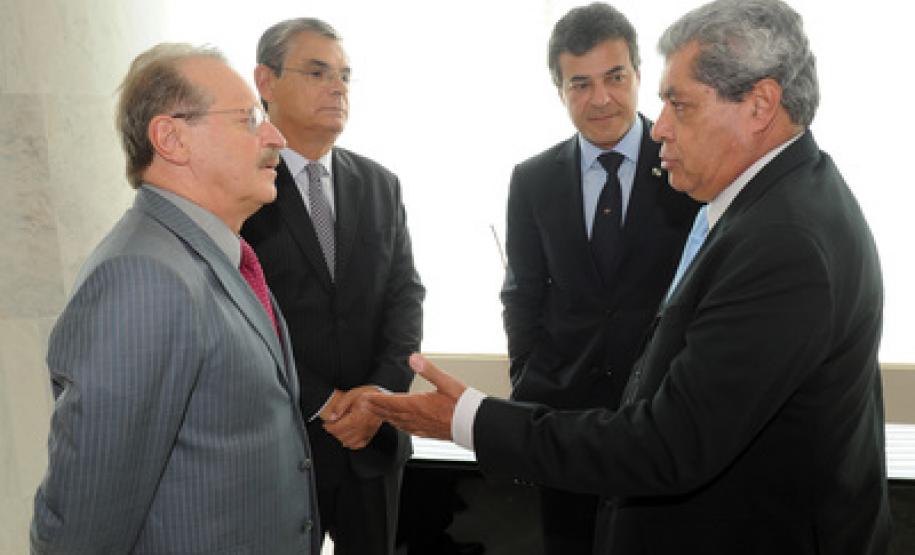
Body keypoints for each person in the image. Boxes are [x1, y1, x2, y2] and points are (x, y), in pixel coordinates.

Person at [367, 0, 893, 553]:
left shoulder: (784, 242)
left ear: (760, 104)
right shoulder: (781, 198)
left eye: (679, 105)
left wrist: (470, 418)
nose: (659, 128)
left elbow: (669, 445)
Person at [30, 44, 319, 554]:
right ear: (171, 139)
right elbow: (84, 524)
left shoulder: (216, 257)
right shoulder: (141, 278)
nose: (275, 136)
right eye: (249, 119)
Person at [500, 4, 698, 552]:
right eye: (580, 84)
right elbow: (522, 294)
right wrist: (527, 383)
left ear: (639, 76)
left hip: (660, 420)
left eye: (615, 78)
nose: (601, 98)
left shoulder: (688, 164)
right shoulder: (533, 179)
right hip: (562, 420)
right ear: (559, 90)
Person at [242, 18, 425, 555]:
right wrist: (325, 403)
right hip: (283, 444)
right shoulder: (243, 186)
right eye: (318, 71)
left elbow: (405, 297)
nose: (338, 86)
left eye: (345, 75)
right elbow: (246, 317)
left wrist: (377, 400)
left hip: (374, 444)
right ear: (266, 81)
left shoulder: (379, 184)